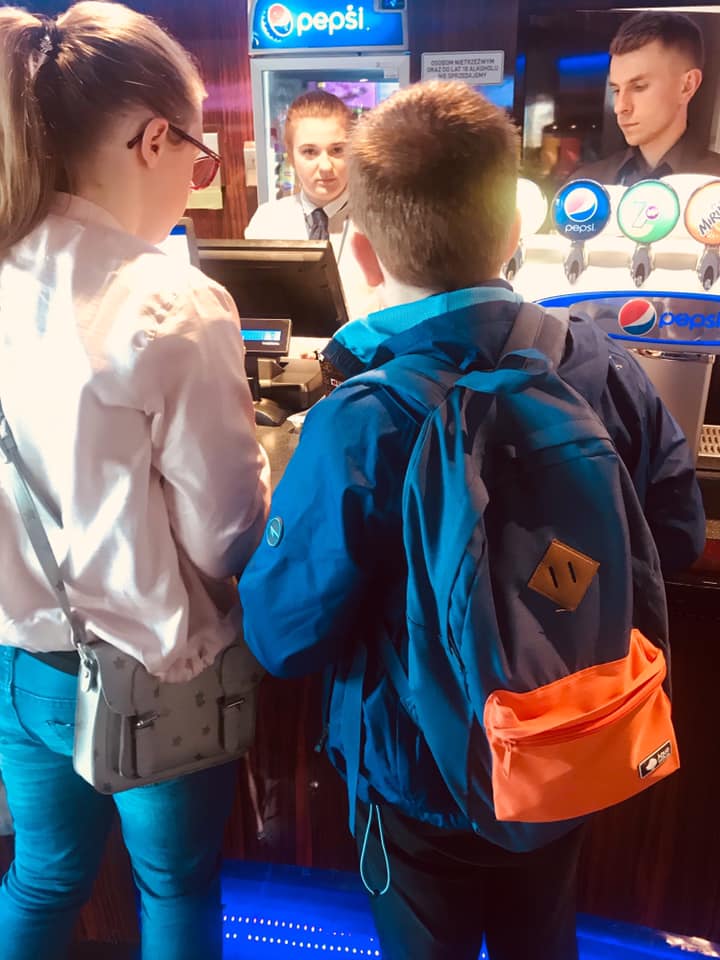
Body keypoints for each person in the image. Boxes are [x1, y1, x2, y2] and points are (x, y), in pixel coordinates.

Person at [238, 81, 705, 960]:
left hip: (416, 775)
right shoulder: (600, 364)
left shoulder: (362, 417)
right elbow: (675, 538)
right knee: (543, 935)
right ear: (516, 230)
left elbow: (284, 634)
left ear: (362, 252)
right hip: (567, 745)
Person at [0, 4, 270, 959]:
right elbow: (225, 534)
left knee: (43, 877)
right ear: (156, 139)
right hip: (158, 670)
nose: (195, 187)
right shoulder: (167, 299)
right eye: (198, 160)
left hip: (20, 666)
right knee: (176, 884)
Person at [245, 90, 376, 320]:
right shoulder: (266, 222)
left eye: (337, 150)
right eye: (310, 152)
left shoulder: (380, 222)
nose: (325, 166)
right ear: (290, 155)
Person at [572, 11, 720, 186]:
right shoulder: (587, 186)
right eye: (616, 90)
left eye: (639, 87)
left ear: (687, 86)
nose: (620, 107)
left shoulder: (714, 182)